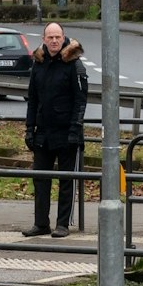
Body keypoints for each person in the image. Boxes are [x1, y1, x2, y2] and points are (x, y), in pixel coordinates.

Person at [23, 22, 88, 239]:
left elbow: (81, 101)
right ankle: (41, 223)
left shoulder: (74, 65)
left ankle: (63, 225)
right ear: (43, 39)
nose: (53, 41)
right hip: (43, 132)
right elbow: (32, 99)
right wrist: (29, 129)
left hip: (67, 132)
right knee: (40, 178)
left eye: (57, 37)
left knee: (66, 180)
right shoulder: (39, 63)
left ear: (63, 38)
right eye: (50, 37)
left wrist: (75, 129)